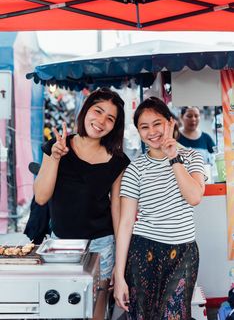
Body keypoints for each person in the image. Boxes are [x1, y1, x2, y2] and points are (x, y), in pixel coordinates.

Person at [34, 87, 130, 320]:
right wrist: (55, 158)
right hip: (61, 247)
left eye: (110, 118)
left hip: (102, 249)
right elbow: (41, 197)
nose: (101, 121)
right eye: (98, 111)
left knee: (97, 314)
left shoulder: (118, 161)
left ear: (115, 126)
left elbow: (117, 212)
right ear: (86, 110)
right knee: (62, 312)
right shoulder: (57, 146)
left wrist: (120, 265)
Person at [114, 97, 205, 320]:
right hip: (143, 252)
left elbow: (194, 197)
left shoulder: (192, 157)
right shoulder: (135, 169)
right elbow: (126, 224)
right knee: (143, 316)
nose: (152, 132)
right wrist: (119, 276)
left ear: (171, 123)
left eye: (157, 123)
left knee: (174, 315)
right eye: (144, 127)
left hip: (183, 253)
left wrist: (174, 158)